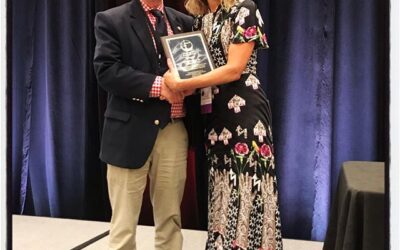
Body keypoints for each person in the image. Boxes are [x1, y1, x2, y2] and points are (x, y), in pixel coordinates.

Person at [163, 0, 283, 249]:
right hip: (215, 117)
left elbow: (234, 70)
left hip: (246, 114)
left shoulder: (244, 9)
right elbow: (193, 70)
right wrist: (172, 78)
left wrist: (181, 84)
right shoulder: (201, 19)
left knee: (247, 182)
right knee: (222, 186)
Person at [93, 0, 197, 249]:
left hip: (174, 129)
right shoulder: (111, 19)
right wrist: (162, 87)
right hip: (128, 132)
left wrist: (195, 82)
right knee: (123, 223)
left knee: (171, 219)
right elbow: (107, 71)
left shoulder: (184, 22)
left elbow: (195, 68)